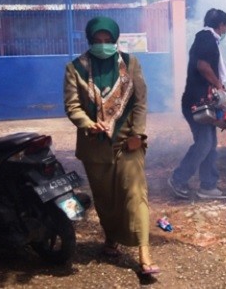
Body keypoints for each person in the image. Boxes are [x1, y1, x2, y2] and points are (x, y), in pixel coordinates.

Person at [63, 16, 160, 276]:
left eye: (108, 40)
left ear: (115, 40)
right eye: (98, 40)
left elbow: (140, 101)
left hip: (128, 142)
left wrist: (137, 134)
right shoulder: (76, 68)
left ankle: (144, 252)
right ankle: (111, 239)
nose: (103, 45)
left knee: (135, 194)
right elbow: (72, 106)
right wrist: (87, 123)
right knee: (105, 199)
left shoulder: (131, 63)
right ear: (90, 40)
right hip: (94, 145)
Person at [168, 8, 226, 199]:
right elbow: (203, 66)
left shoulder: (207, 39)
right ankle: (178, 179)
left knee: (210, 143)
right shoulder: (206, 38)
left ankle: (208, 186)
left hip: (202, 101)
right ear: (220, 25)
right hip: (195, 102)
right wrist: (219, 84)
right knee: (204, 142)